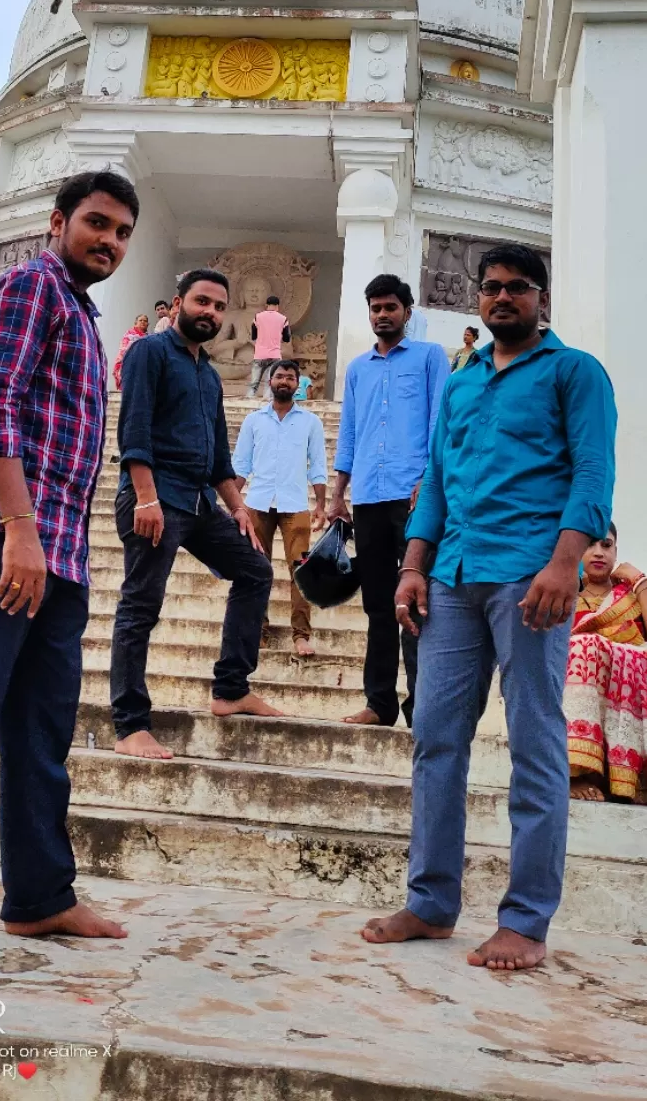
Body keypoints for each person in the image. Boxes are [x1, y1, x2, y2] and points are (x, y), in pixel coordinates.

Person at [362, 242, 616, 973]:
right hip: (453, 576)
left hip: (530, 578)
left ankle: (527, 922)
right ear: (478, 298)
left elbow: (594, 471)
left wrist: (566, 562)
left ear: (542, 298)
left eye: (518, 288)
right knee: (436, 738)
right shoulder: (463, 382)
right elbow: (436, 481)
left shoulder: (575, 373)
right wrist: (413, 565)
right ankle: (431, 903)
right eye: (491, 288)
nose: (502, 298)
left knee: (536, 742)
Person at [0, 169, 140, 980]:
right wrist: (19, 530)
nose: (111, 242)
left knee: (40, 735)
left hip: (57, 552)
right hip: (3, 536)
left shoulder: (80, 310)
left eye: (124, 232)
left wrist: (52, 547)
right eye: (97, 224)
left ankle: (37, 897)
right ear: (58, 221)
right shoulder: (29, 285)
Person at [110, 268, 277, 762]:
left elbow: (220, 458)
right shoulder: (149, 352)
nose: (211, 312)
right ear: (179, 302)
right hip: (155, 498)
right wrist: (144, 496)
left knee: (255, 571)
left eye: (219, 307)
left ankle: (230, 689)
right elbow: (134, 427)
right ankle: (130, 724)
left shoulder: (206, 372)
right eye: (202, 302)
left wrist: (239, 509)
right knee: (141, 606)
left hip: (200, 502)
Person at [329, 274, 450, 729]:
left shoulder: (429, 357)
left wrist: (429, 479)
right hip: (370, 497)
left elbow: (442, 421)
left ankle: (424, 707)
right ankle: (379, 704)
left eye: (390, 308)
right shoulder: (358, 368)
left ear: (406, 312)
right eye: (375, 308)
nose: (382, 315)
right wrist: (338, 495)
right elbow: (350, 432)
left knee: (418, 600)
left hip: (416, 496)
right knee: (377, 604)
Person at [233, 360, 328, 658]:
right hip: (257, 504)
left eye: (290, 377)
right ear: (270, 382)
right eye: (279, 376)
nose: (284, 381)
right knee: (254, 570)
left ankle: (301, 635)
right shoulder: (254, 421)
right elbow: (241, 465)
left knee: (301, 572)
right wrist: (232, 503)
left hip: (295, 505)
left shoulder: (310, 422)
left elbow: (318, 467)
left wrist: (321, 505)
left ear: (297, 384)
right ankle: (255, 629)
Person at [565, 525, 647, 804]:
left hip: (636, 685)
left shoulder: (631, 594)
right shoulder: (568, 598)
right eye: (589, 545)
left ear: (616, 552)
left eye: (607, 545)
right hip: (589, 685)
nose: (598, 552)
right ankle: (576, 772)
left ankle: (626, 777)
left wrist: (639, 581)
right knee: (583, 647)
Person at [247, 294, 291, 399]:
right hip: (275, 354)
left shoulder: (258, 317)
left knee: (254, 381)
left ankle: (249, 398)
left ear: (266, 305)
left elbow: (253, 335)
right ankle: (266, 400)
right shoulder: (283, 319)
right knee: (269, 381)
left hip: (259, 354)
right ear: (277, 306)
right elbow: (286, 338)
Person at [113, 313, 149, 390]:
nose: (143, 322)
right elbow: (125, 350)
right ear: (135, 323)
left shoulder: (149, 337)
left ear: (148, 324)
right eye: (140, 320)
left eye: (145, 321)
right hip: (128, 365)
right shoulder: (129, 334)